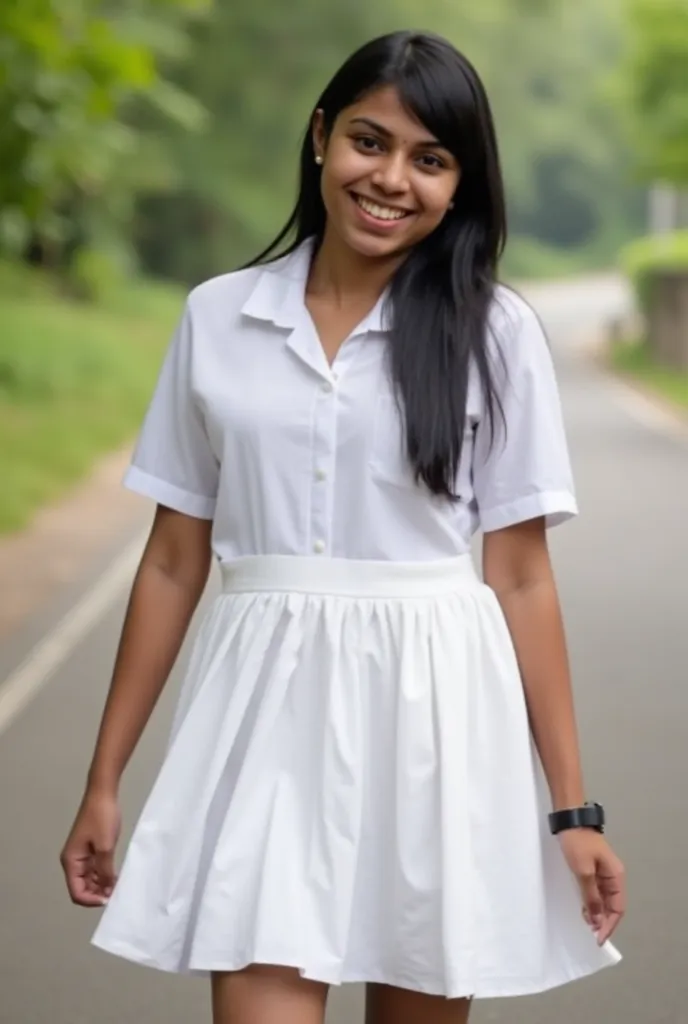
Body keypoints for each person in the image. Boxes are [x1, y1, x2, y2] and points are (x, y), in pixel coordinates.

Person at [60, 29, 625, 1024]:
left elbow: (523, 578)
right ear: (320, 136)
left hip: (439, 724)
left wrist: (571, 810)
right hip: (263, 717)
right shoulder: (218, 317)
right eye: (371, 141)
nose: (392, 179)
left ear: (460, 185)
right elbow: (170, 562)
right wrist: (105, 779)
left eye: (430, 159)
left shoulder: (497, 336)